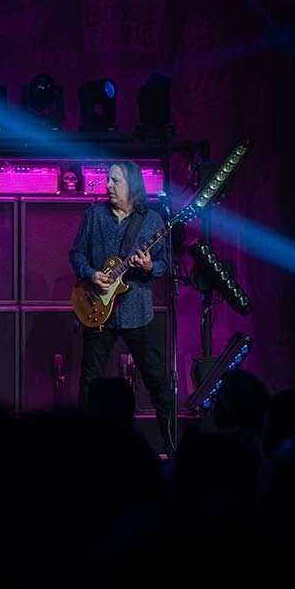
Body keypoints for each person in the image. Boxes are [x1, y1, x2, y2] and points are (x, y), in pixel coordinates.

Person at [70, 160, 174, 454]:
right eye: (107, 180)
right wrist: (91, 274)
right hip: (97, 310)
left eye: (115, 181)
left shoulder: (152, 220)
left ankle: (170, 445)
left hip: (137, 311)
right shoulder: (94, 215)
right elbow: (76, 253)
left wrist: (151, 266)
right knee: (90, 380)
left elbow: (165, 265)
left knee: (156, 379)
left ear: (132, 186)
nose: (108, 186)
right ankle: (84, 447)